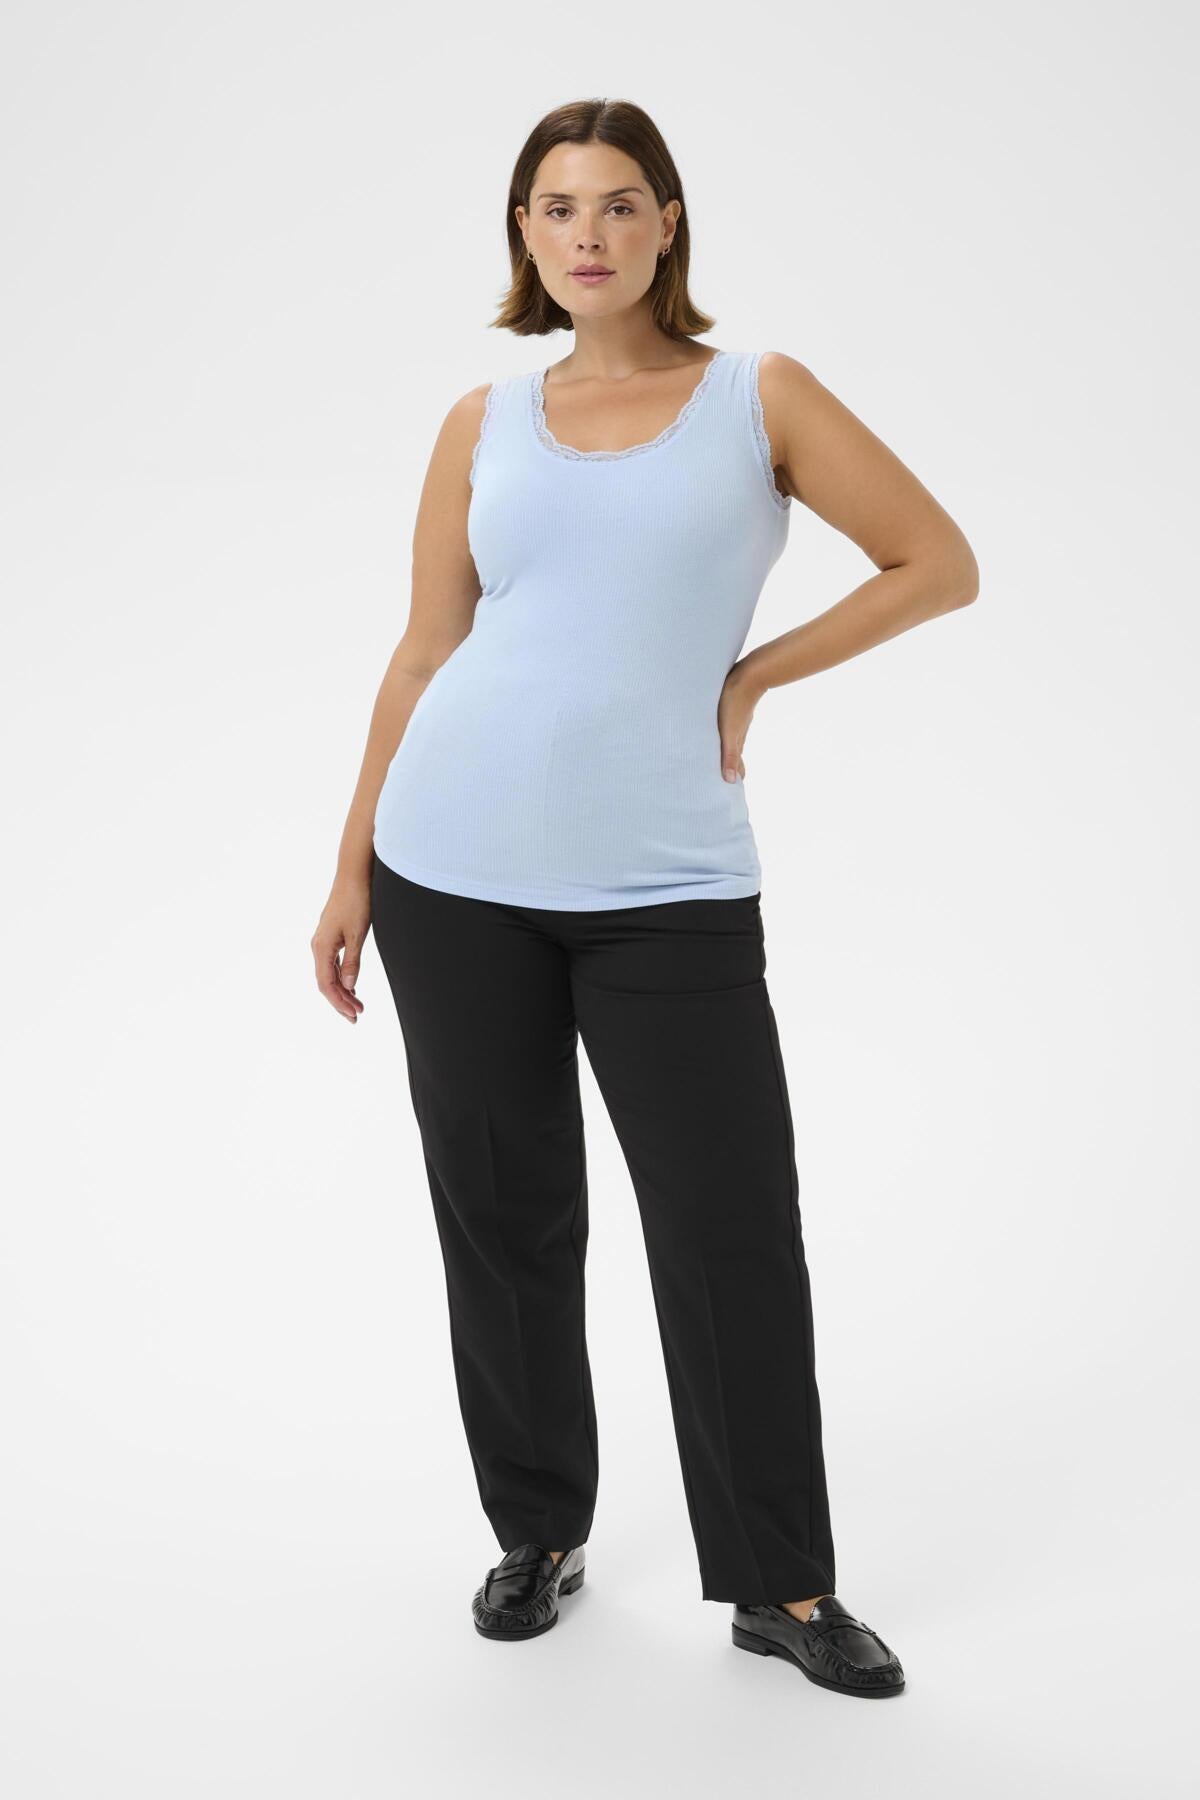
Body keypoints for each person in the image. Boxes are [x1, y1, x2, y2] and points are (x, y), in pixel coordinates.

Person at [311, 97, 978, 1700]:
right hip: (450, 870)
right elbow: (425, 650)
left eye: (619, 203)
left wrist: (752, 675)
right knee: (504, 1217)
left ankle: (782, 1583)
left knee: (728, 1226)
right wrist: (349, 864)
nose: (589, 234)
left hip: (666, 886)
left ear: (668, 222)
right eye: (556, 209)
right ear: (524, 236)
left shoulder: (759, 396)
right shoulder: (483, 419)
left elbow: (935, 561)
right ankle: (538, 1531)